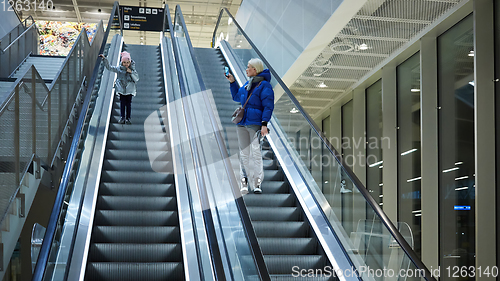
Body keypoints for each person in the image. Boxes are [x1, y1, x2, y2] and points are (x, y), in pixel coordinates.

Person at [226, 58, 274, 194]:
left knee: (256, 154)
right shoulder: (247, 84)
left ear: (255, 69)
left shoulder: (265, 86)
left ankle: (257, 183)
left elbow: (268, 106)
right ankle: (244, 182)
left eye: (249, 67)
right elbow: (236, 96)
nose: (246, 69)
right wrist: (233, 82)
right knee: (244, 154)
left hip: (255, 124)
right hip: (242, 124)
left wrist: (264, 124)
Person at [99, 51, 139, 124]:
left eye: (127, 62)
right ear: (122, 62)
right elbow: (109, 67)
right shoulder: (119, 69)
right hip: (121, 90)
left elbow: (136, 79)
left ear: (130, 63)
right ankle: (122, 117)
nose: (126, 64)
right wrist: (104, 59)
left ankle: (128, 118)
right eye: (124, 62)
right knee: (122, 104)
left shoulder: (132, 70)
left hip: (129, 90)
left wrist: (131, 72)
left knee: (128, 104)